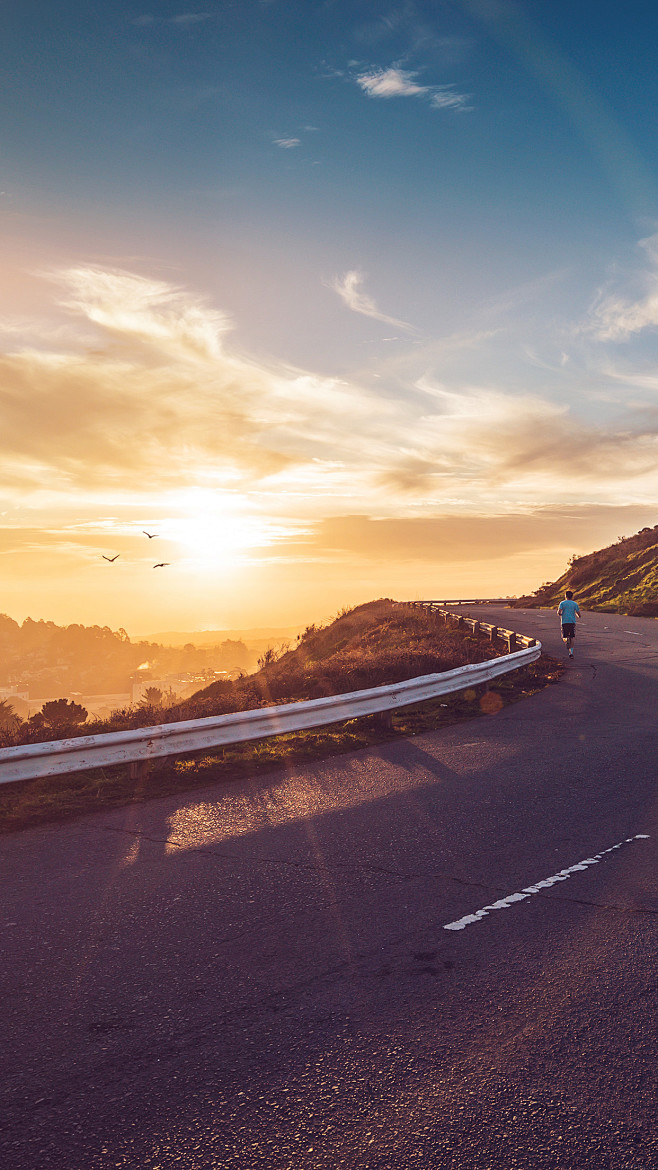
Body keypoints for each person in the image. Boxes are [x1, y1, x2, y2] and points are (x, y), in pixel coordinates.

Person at [557, 590, 581, 658]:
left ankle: (566, 640)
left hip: (564, 621)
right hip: (572, 622)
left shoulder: (562, 603)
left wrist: (561, 614)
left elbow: (559, 612)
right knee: (572, 637)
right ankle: (571, 652)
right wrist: (578, 615)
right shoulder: (575, 604)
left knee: (563, 636)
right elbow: (578, 613)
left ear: (565, 596)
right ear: (572, 596)